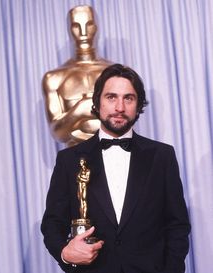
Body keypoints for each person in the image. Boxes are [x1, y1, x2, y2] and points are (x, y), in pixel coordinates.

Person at [41, 64, 191, 273]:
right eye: (111, 97)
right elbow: (52, 224)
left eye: (128, 98)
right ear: (97, 102)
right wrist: (66, 254)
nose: (120, 107)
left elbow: (177, 225)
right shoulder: (69, 160)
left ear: (138, 105)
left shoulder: (162, 156)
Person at [42, 5, 112, 147]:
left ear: (97, 28)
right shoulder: (54, 78)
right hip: (78, 160)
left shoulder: (117, 72)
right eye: (76, 26)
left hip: (117, 155)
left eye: (89, 24)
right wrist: (81, 109)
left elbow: (128, 120)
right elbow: (58, 133)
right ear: (69, 30)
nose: (83, 32)